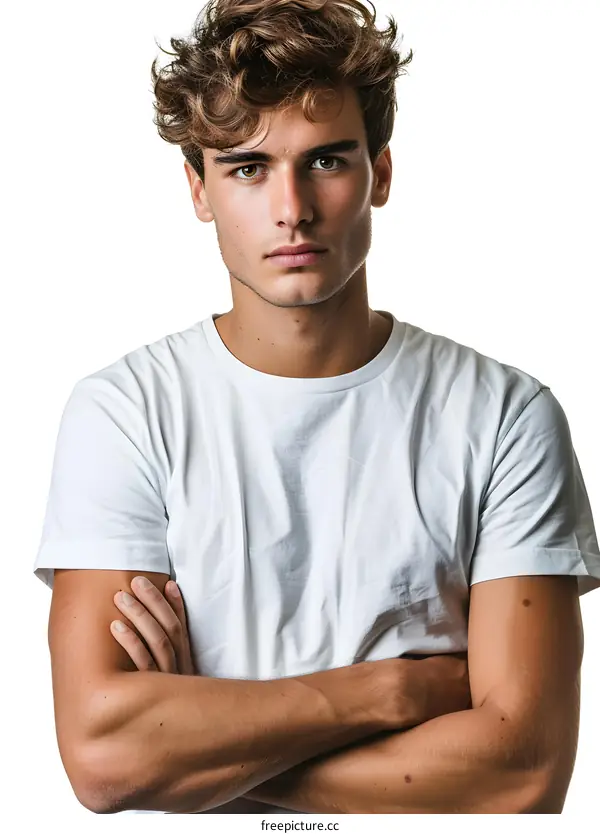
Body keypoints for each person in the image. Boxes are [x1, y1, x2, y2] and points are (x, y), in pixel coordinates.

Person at [34, 0, 600, 816]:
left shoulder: (506, 417)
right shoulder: (124, 413)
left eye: (327, 161)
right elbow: (103, 757)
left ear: (383, 172)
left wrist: (201, 763)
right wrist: (391, 694)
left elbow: (522, 773)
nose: (291, 209)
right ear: (199, 188)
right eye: (247, 168)